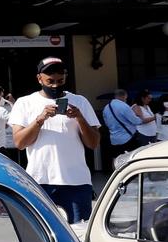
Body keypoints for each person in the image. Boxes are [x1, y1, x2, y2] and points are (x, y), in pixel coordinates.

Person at [10, 57, 100, 223]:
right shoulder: (25, 103)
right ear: (39, 79)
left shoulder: (80, 101)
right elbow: (20, 143)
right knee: (42, 234)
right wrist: (40, 119)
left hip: (76, 182)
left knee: (79, 233)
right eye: (50, 81)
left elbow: (93, 143)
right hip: (40, 180)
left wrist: (80, 118)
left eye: (60, 80)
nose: (55, 85)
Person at [98, 88, 143, 175]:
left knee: (115, 158)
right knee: (130, 158)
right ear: (124, 96)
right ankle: (130, 176)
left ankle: (116, 176)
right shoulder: (124, 106)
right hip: (128, 137)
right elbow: (135, 121)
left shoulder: (106, 108)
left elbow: (106, 123)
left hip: (114, 138)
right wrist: (140, 117)